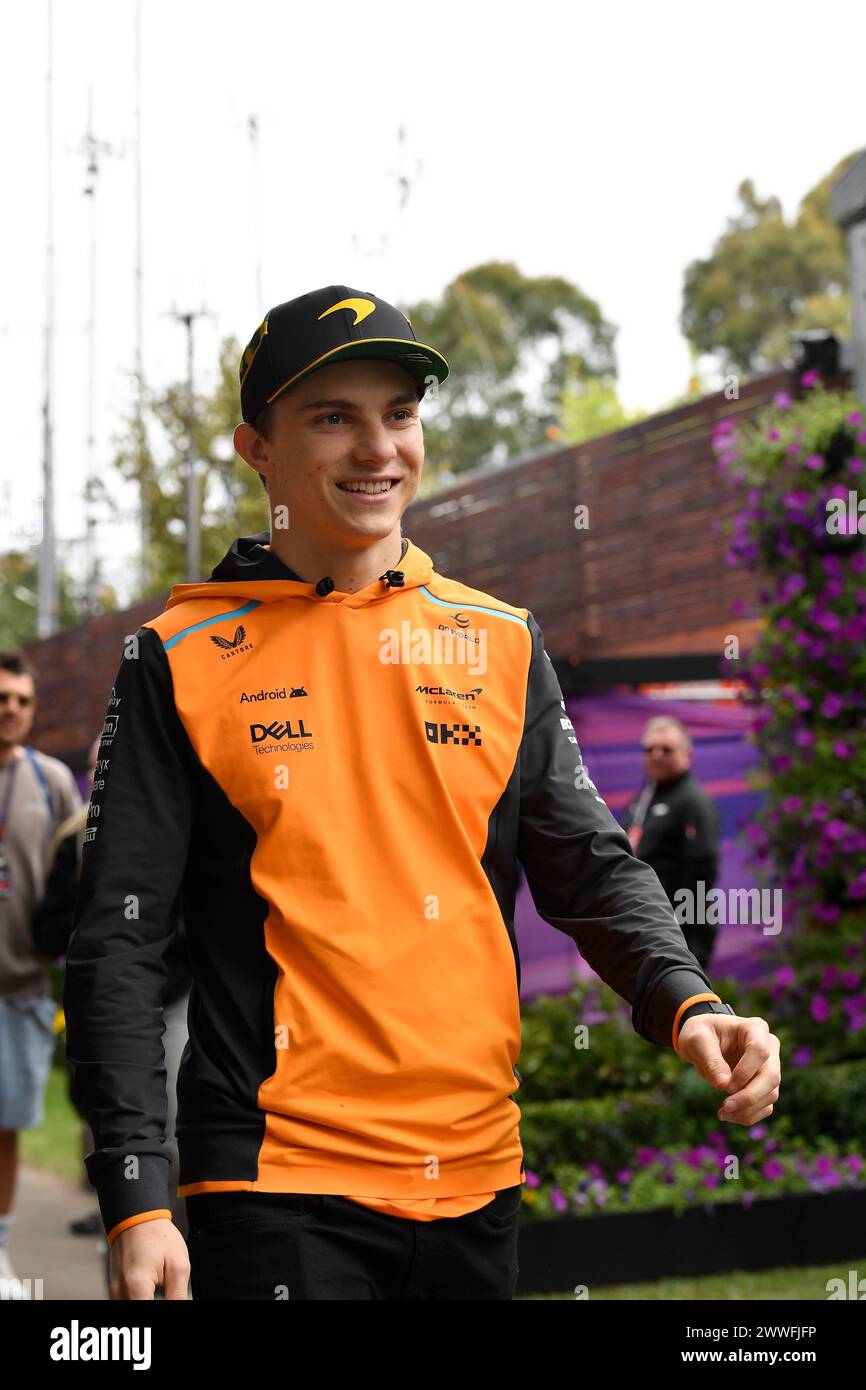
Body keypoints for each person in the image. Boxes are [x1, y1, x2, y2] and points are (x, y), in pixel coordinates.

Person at [64, 285, 781, 1301]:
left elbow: (585, 863)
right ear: (254, 446)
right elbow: (119, 940)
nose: (376, 448)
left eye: (398, 414)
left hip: (473, 1176)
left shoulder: (498, 641)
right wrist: (138, 1193)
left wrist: (681, 996)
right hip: (273, 1183)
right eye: (331, 417)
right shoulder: (175, 657)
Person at [30, 735, 192, 1247]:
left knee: (171, 1130)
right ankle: (123, 1229)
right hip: (104, 1000)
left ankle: (175, 1242)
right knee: (105, 1116)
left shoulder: (179, 820)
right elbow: (46, 929)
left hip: (174, 998)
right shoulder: (76, 836)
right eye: (106, 759)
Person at [0, 649, 82, 1283]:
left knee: (8, 1126)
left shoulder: (52, 781)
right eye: (2, 698)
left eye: (22, 701)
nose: (11, 710)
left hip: (21, 987)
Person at [623, 716, 722, 970]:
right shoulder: (645, 796)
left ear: (686, 755)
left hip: (679, 935)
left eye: (666, 750)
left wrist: (683, 939)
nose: (657, 756)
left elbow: (702, 873)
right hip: (644, 929)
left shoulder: (693, 802)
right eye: (650, 749)